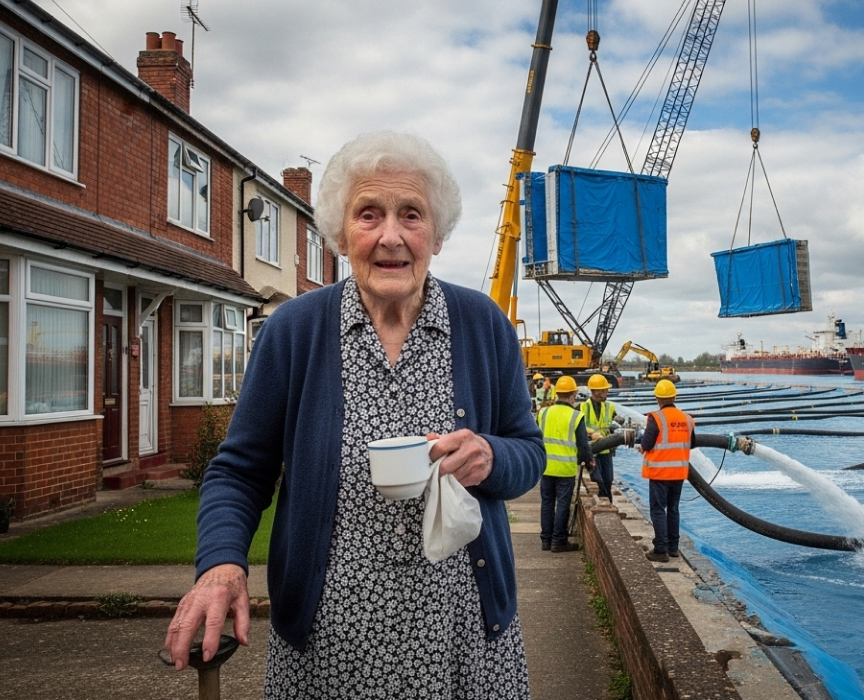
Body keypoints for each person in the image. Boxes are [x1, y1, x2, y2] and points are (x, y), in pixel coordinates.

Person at [164, 131, 545, 699]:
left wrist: (491, 457)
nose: (391, 235)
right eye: (369, 214)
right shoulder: (295, 331)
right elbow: (240, 471)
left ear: (436, 235)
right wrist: (221, 563)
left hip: (466, 640)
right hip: (330, 645)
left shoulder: (483, 323)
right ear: (342, 235)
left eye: (410, 214)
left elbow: (529, 452)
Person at [637, 379, 694, 563]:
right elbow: (691, 443)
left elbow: (646, 443)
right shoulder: (687, 418)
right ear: (674, 397)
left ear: (657, 399)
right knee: (674, 509)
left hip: (660, 473)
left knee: (658, 510)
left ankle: (661, 550)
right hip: (679, 473)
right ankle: (673, 548)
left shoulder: (656, 418)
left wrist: (642, 447)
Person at [536, 375, 593, 553]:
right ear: (573, 394)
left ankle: (546, 540)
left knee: (546, 502)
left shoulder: (543, 413)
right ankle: (558, 541)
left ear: (557, 393)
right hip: (565, 469)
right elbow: (583, 445)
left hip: (545, 466)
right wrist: (589, 462)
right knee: (562, 503)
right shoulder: (576, 416)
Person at [579, 373, 624, 504]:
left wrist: (616, 428)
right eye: (603, 390)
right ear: (595, 392)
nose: (606, 393)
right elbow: (579, 426)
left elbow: (615, 423)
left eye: (606, 390)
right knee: (598, 481)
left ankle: (608, 504)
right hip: (592, 451)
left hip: (606, 451)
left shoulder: (609, 407)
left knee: (608, 480)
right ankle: (601, 504)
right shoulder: (583, 407)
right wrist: (591, 434)